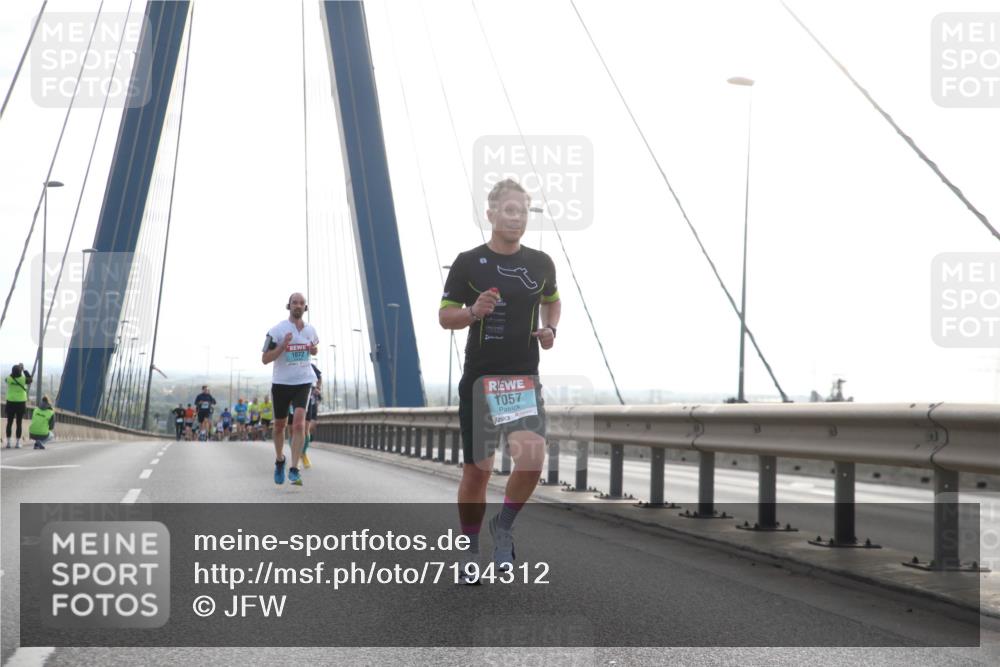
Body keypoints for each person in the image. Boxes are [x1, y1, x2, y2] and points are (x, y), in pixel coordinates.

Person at [439, 178, 560, 583]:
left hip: (522, 379)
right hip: (481, 380)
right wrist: (473, 311)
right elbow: (445, 317)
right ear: (490, 214)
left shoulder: (541, 263)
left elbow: (552, 300)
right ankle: (470, 549)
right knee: (479, 471)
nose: (517, 217)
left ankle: (503, 527)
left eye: (523, 211)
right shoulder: (468, 262)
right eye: (509, 210)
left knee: (531, 461)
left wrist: (550, 330)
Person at [261, 292, 319, 486]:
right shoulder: (277, 330)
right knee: (279, 426)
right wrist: (282, 348)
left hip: (303, 381)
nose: (298, 306)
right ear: (289, 306)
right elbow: (265, 359)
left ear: (305, 307)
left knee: (300, 425)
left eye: (302, 303)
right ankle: (280, 460)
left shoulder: (310, 330)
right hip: (282, 383)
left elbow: (315, 348)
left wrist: (312, 350)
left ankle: (294, 467)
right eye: (295, 302)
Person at [5, 363, 32, 449]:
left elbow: (7, 378)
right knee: (19, 423)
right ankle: (17, 443)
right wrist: (23, 369)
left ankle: (8, 443)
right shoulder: (23, 379)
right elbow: (30, 379)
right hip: (20, 403)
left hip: (10, 402)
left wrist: (13, 372)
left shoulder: (9, 379)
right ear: (20, 371)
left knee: (9, 423)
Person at [302, 366, 322, 469]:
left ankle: (303, 453)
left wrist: (318, 389)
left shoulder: (310, 365)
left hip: (310, 404)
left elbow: (319, 376)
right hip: (293, 399)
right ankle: (296, 454)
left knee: (307, 429)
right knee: (293, 429)